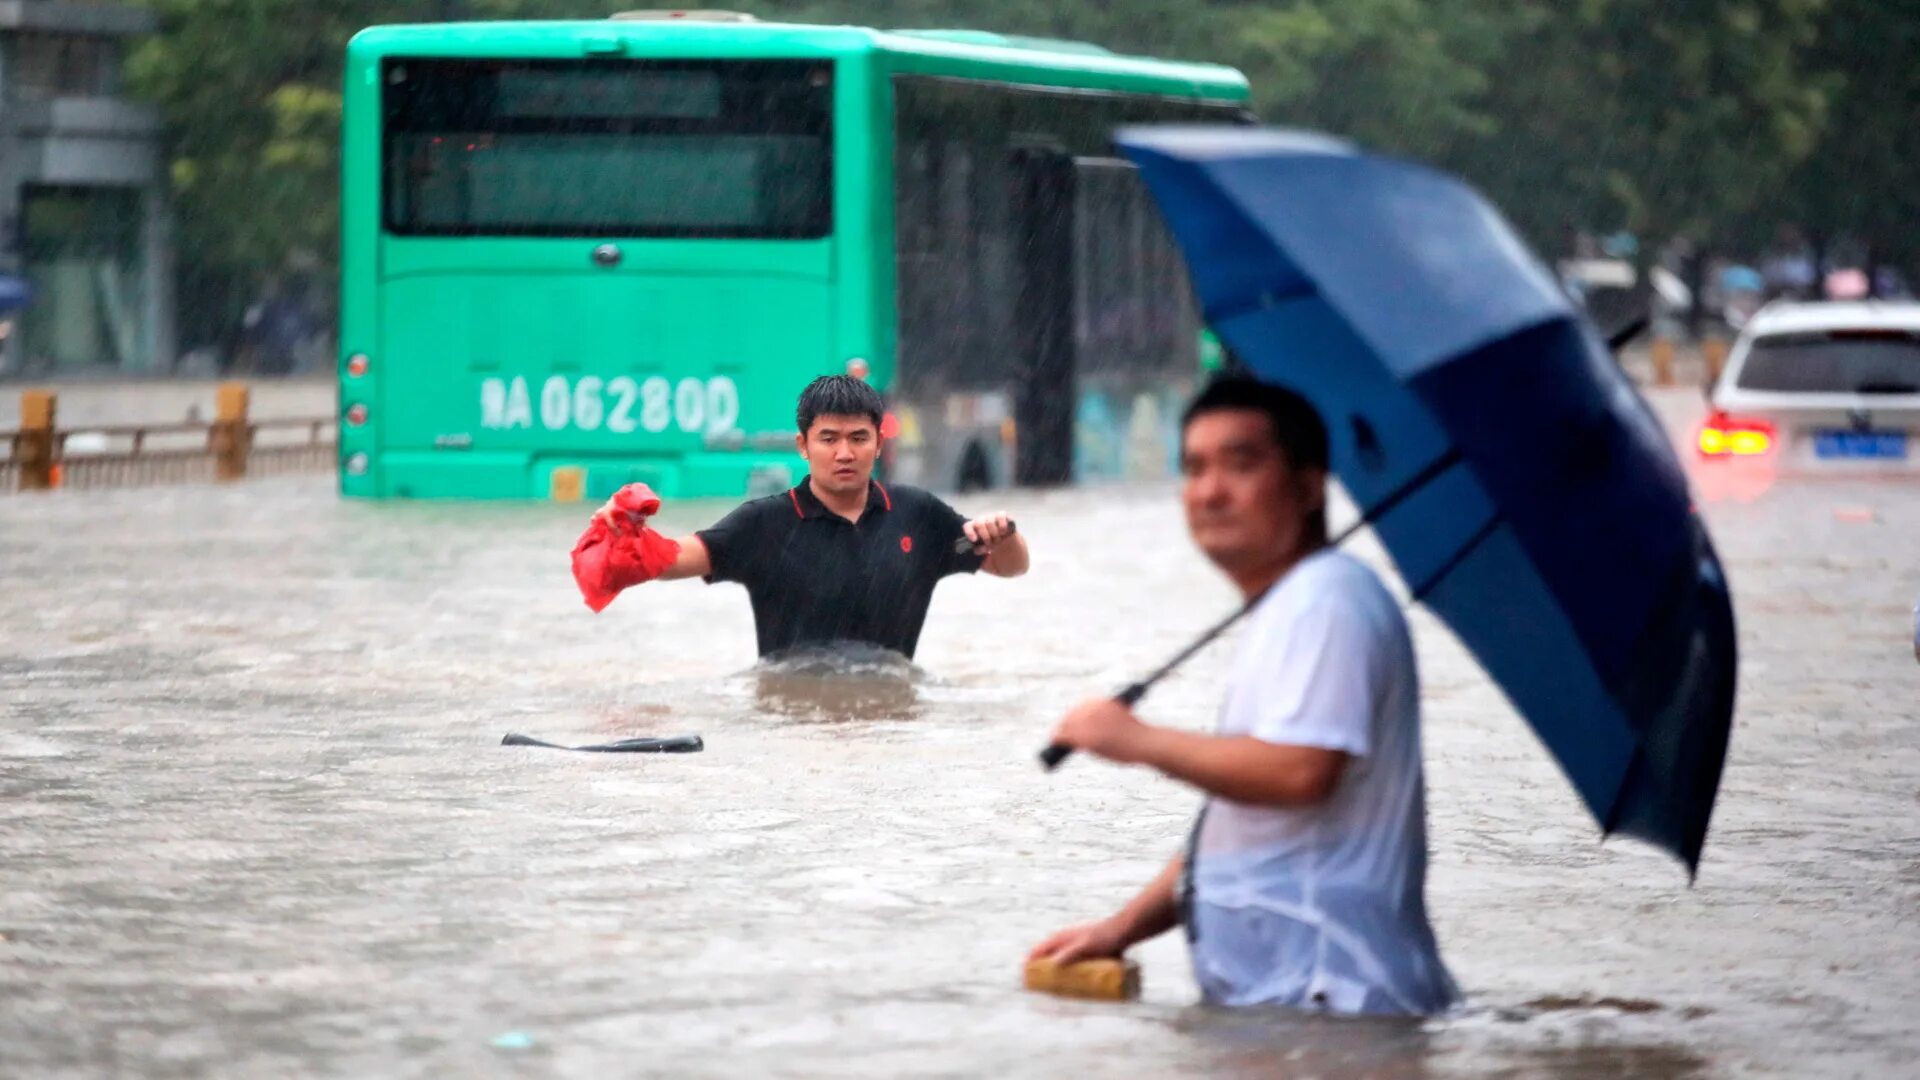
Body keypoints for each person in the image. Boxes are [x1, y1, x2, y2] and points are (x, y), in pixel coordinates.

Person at [1028, 375, 1459, 1017]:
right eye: (1195, 467)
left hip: (1336, 1014)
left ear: (1310, 485)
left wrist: (1137, 742)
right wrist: (1120, 929)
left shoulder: (1326, 602)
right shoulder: (1287, 608)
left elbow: (1299, 772)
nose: (1210, 491)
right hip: (1285, 1015)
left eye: (1241, 464)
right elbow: (1242, 831)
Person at [573, 374, 1028, 660]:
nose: (844, 453)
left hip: (892, 727)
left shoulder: (918, 517)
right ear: (802, 446)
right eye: (828, 438)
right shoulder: (763, 525)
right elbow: (673, 559)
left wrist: (1004, 534)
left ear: (878, 443)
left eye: (858, 438)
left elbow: (1007, 566)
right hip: (792, 725)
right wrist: (621, 533)